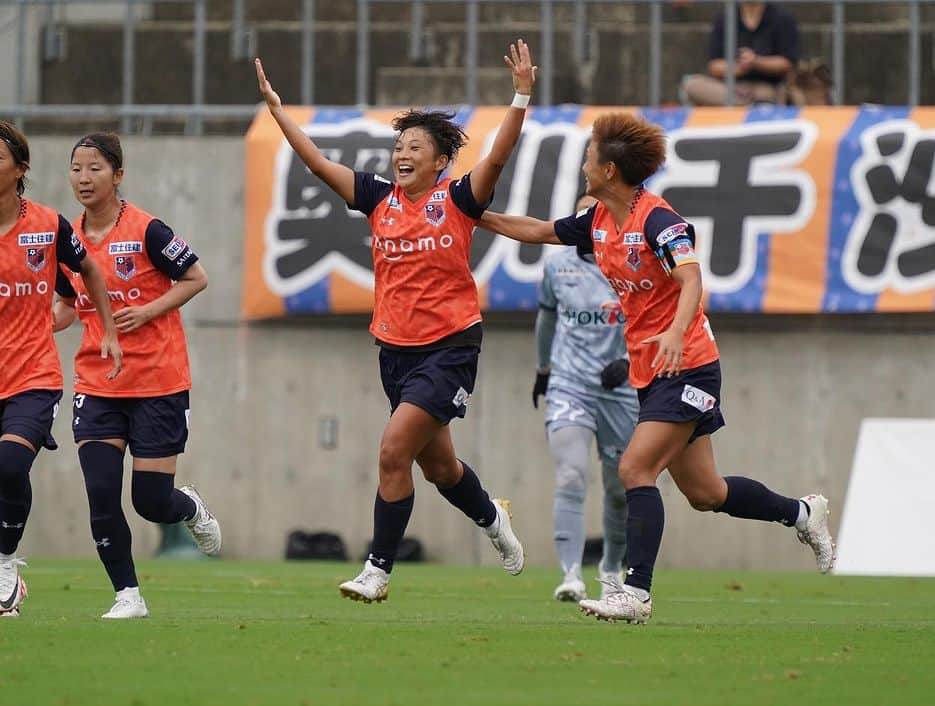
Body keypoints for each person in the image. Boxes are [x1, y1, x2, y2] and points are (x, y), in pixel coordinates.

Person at [479, 112, 835, 624]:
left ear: (609, 170)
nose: (583, 164)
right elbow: (536, 230)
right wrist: (473, 215)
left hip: (688, 365)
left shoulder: (659, 220)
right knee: (706, 493)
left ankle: (636, 594)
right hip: (652, 372)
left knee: (633, 469)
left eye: (589, 157)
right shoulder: (598, 220)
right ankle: (804, 514)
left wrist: (673, 330)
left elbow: (691, 281)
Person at [254, 40, 536, 604]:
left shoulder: (458, 199)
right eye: (398, 146)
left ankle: (377, 571)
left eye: (415, 147)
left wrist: (522, 94)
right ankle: (492, 518)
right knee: (442, 469)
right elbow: (316, 163)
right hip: (395, 351)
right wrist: (279, 112)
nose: (402, 154)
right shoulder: (377, 198)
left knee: (391, 452)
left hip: (450, 347)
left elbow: (498, 158)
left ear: (438, 160)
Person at [52, 132, 220, 620]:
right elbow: (67, 304)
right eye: (76, 169)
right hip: (97, 383)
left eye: (95, 169)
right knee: (101, 492)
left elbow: (197, 277)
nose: (84, 178)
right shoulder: (66, 241)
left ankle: (188, 508)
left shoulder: (148, 231)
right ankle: (128, 594)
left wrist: (147, 311)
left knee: (149, 501)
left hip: (158, 382)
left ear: (118, 175)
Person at [0, 121, 122, 618]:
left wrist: (108, 330)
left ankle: (5, 564)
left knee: (9, 465)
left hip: (33, 376)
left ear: (20, 169)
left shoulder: (48, 225)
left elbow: (88, 270)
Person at [534, 194, 634, 602]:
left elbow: (656, 318)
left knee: (620, 487)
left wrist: (628, 360)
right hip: (570, 384)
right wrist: (543, 370)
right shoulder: (557, 266)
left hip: (621, 389)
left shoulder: (631, 267)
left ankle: (611, 567)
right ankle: (571, 574)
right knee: (572, 474)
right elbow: (547, 317)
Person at [681, 2, 799, 106]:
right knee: (691, 85)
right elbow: (714, 66)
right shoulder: (724, 18)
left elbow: (787, 63)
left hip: (768, 87)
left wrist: (756, 62)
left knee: (767, 94)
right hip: (731, 88)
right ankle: (753, 106)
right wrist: (741, 67)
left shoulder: (783, 18)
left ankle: (754, 104)